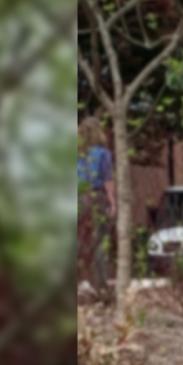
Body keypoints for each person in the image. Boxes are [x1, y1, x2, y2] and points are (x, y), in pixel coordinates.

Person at [78, 116, 117, 289]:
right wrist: (112, 201)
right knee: (99, 239)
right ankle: (100, 283)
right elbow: (108, 179)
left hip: (77, 195)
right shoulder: (103, 153)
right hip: (96, 195)